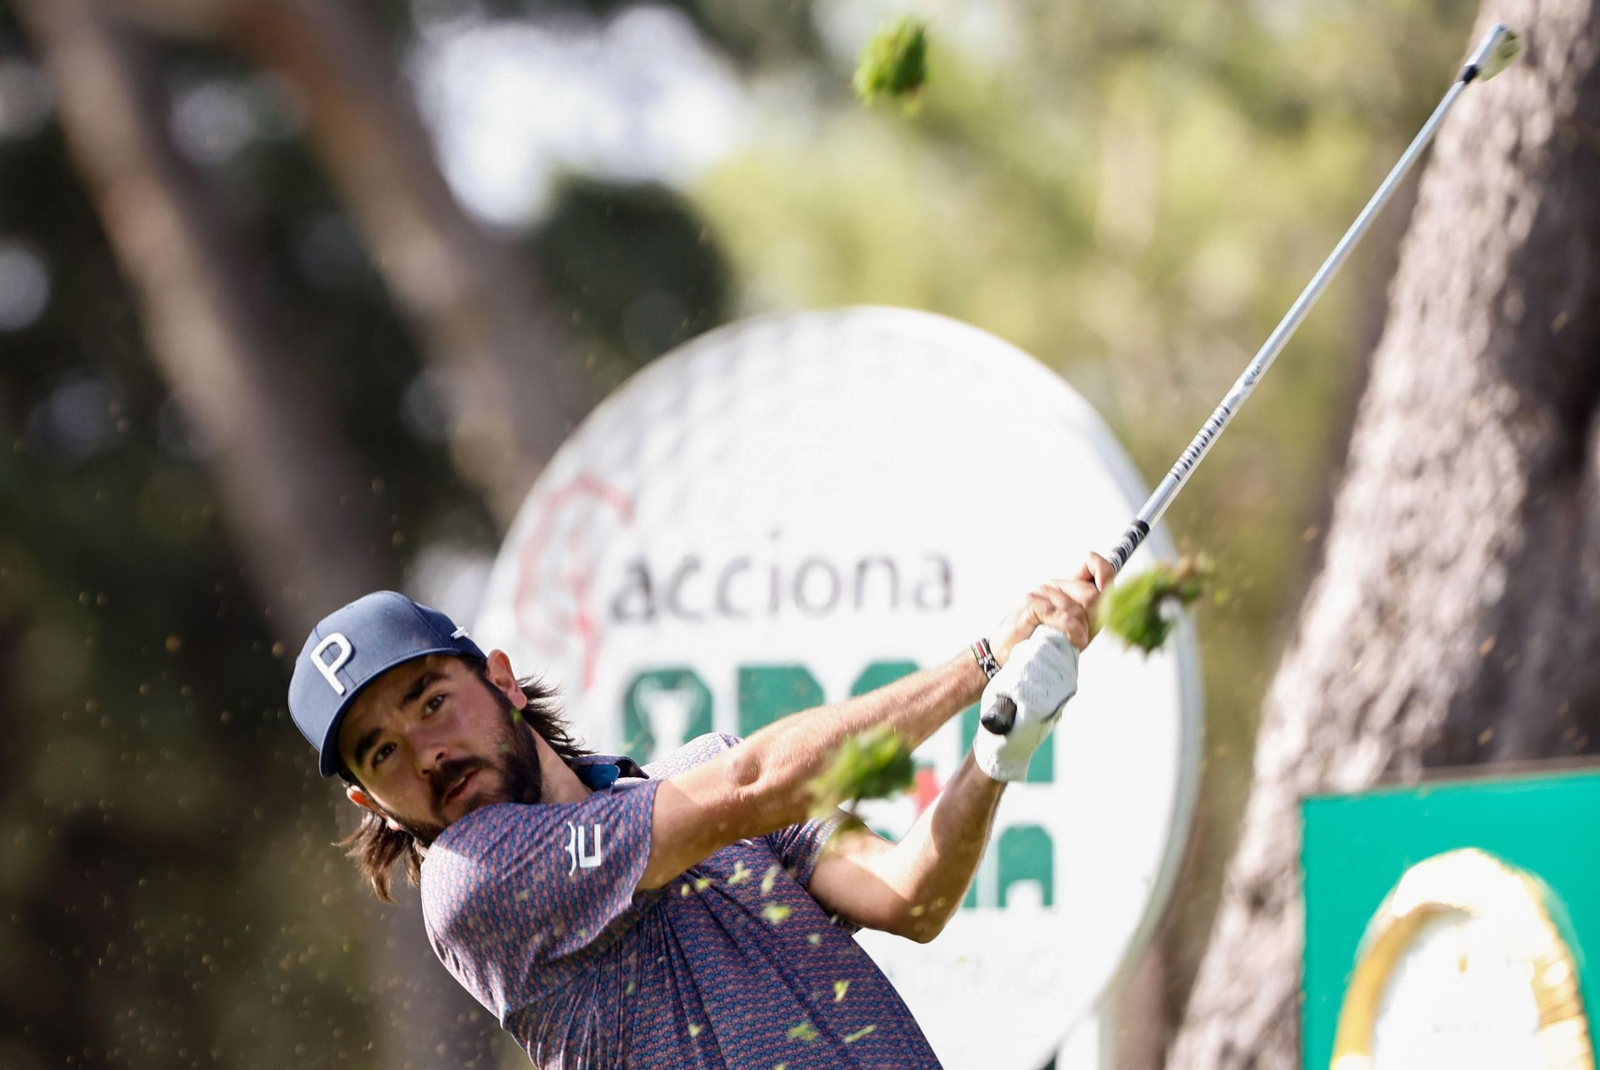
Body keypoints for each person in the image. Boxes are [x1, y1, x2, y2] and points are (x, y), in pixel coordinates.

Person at [288, 555, 1113, 1069]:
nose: (426, 753)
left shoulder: (691, 777)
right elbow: (753, 783)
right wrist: (979, 663)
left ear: (500, 680)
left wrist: (1001, 746)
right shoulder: (475, 883)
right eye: (383, 752)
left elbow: (908, 896)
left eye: (430, 701)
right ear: (371, 803)